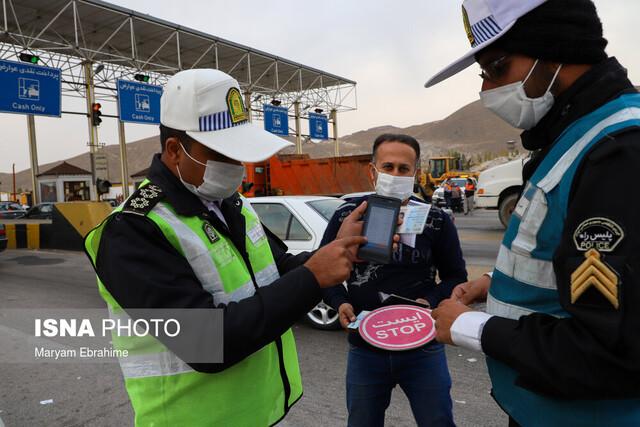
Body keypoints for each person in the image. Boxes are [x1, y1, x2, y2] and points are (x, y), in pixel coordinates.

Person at [84, 69, 368, 426]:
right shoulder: (132, 229)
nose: (239, 167)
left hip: (259, 414)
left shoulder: (230, 203)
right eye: (224, 154)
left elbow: (276, 269)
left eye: (240, 153)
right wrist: (314, 276)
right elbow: (204, 341)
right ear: (175, 150)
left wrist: (337, 250)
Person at [425, 0, 640, 425]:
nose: (486, 90)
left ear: (555, 48)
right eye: (483, 74)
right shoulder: (573, 134)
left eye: (497, 67)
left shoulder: (617, 155)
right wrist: (497, 284)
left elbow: (609, 350)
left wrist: (470, 327)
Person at [322, 133, 468, 427]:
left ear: (416, 172)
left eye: (404, 169)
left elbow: (456, 277)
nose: (395, 174)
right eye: (388, 167)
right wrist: (340, 302)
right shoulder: (347, 216)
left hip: (423, 347)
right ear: (372, 170)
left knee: (438, 421)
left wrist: (432, 301)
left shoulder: (436, 219)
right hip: (365, 347)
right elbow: (324, 272)